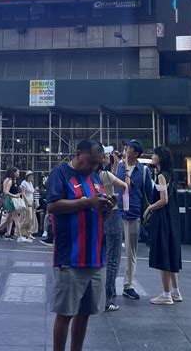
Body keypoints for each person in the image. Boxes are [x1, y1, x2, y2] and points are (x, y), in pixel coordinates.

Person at [47, 139, 115, 351]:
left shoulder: (94, 178)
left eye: (97, 163)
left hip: (95, 257)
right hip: (70, 257)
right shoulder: (60, 174)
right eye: (91, 161)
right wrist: (87, 202)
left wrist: (107, 208)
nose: (94, 166)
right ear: (78, 154)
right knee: (65, 314)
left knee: (84, 313)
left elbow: (99, 214)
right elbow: (52, 206)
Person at [143, 146, 182, 305]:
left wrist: (149, 208)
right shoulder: (170, 175)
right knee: (171, 253)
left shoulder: (161, 176)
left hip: (162, 219)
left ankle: (166, 295)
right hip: (172, 219)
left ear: (161, 158)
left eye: (155, 154)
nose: (152, 156)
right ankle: (175, 292)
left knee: (163, 254)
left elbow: (163, 199)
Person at [116, 139, 153, 300]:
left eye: (129, 148)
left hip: (133, 213)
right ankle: (110, 284)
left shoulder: (143, 170)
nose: (126, 149)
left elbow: (149, 194)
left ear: (136, 153)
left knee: (131, 252)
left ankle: (128, 284)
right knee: (113, 251)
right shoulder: (118, 166)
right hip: (117, 213)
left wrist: (147, 212)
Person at [99, 147, 129, 312]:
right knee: (113, 259)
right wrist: (127, 171)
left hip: (100, 216)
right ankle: (108, 298)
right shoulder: (106, 175)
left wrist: (116, 163)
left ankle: (101, 295)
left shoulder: (95, 176)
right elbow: (125, 186)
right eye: (107, 155)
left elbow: (111, 176)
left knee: (102, 256)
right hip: (113, 213)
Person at [0, 167, 27, 243]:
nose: (19, 173)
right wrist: (14, 195)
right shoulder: (10, 181)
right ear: (14, 173)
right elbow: (6, 192)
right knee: (16, 218)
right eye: (18, 172)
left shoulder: (14, 181)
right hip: (10, 201)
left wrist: (18, 194)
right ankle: (19, 236)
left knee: (7, 220)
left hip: (12, 200)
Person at [20, 171, 37, 240]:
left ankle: (29, 233)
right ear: (27, 177)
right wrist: (27, 202)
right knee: (28, 218)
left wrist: (35, 189)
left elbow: (31, 192)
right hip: (26, 201)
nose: (31, 178)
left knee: (31, 218)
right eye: (30, 177)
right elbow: (23, 193)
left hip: (31, 201)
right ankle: (19, 228)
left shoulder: (30, 183)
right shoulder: (24, 183)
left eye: (32, 177)